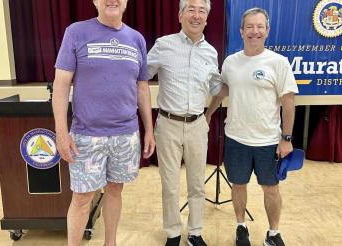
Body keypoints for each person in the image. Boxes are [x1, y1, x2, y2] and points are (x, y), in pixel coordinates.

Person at [52, 0, 155, 245]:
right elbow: (61, 84)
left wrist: (149, 129)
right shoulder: (76, 32)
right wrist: (61, 132)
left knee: (115, 190)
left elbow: (142, 88)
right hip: (86, 136)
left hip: (125, 135)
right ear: (95, 1)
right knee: (82, 197)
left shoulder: (136, 39)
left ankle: (111, 243)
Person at [206, 7, 299, 246]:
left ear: (267, 31)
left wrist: (286, 138)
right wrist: (207, 115)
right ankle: (241, 226)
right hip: (236, 138)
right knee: (238, 185)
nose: (254, 31)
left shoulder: (278, 63)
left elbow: (288, 104)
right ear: (241, 30)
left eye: (259, 27)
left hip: (268, 141)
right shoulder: (230, 62)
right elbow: (224, 91)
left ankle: (273, 233)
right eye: (249, 26)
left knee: (271, 188)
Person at [146, 0, 225, 245]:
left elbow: (215, 87)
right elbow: (141, 75)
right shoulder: (163, 45)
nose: (196, 15)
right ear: (180, 15)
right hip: (168, 124)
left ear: (207, 19)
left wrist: (234, 80)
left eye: (202, 11)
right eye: (191, 9)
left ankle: (195, 233)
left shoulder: (211, 52)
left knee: (197, 185)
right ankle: (172, 233)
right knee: (169, 184)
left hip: (197, 125)